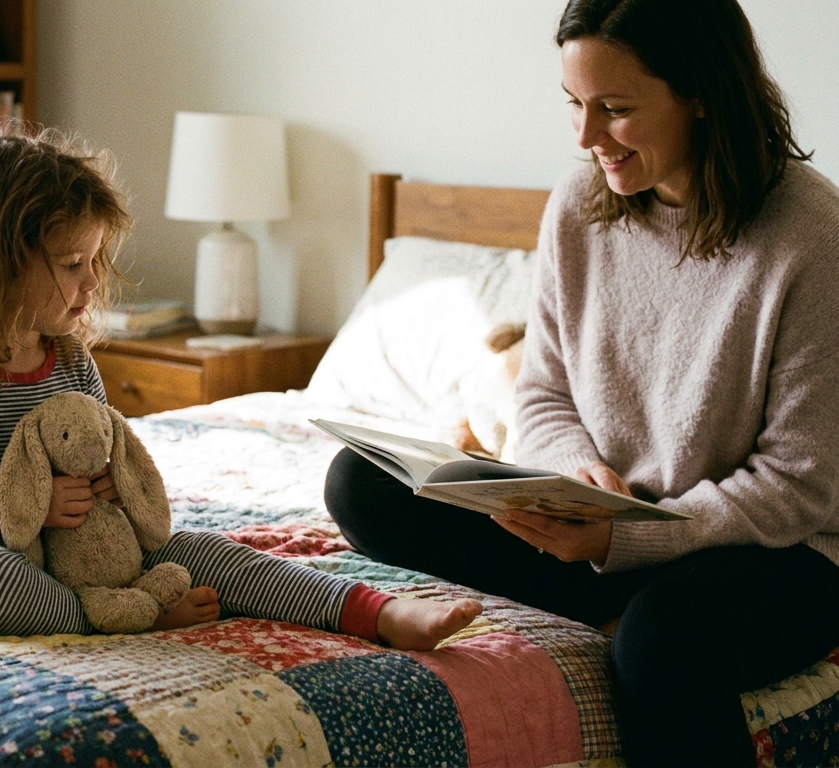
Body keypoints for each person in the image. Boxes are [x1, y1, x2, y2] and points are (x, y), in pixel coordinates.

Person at [325, 0, 839, 763]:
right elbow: (542, 393)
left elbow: (799, 485)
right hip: (607, 526)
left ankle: (627, 600)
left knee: (660, 645)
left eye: (616, 109)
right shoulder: (577, 208)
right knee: (360, 480)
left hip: (773, 549)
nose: (586, 136)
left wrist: (623, 536)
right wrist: (573, 477)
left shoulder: (811, 234)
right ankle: (615, 589)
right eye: (575, 104)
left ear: (701, 94)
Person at [0, 121, 482, 650]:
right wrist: (20, 509)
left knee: (207, 550)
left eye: (94, 261)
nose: (90, 285)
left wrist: (112, 485)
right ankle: (126, 618)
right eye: (69, 265)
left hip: (81, 564)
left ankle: (375, 613)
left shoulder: (71, 363)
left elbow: (104, 461)